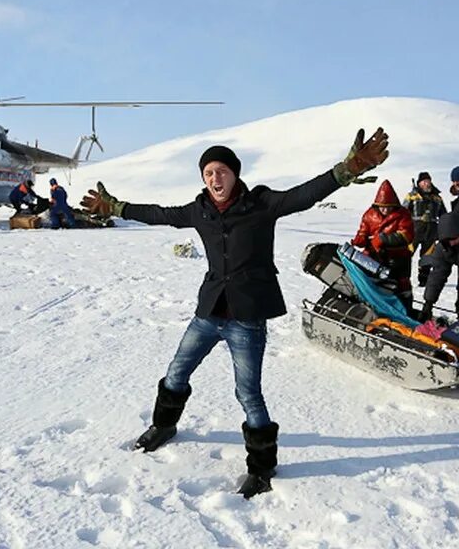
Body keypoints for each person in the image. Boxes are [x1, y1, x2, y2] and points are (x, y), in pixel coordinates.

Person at [80, 129, 389, 498]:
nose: (215, 178)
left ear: (235, 174)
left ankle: (261, 467)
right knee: (176, 372)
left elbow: (303, 195)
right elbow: (160, 214)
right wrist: (117, 208)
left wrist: (347, 170)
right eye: (208, 173)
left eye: (221, 171)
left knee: (248, 394)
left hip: (247, 319)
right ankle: (164, 426)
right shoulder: (200, 210)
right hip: (209, 313)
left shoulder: (261, 204)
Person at [352, 179, 415, 313]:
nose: (385, 209)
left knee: (402, 287)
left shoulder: (403, 214)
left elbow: (407, 236)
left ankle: (406, 313)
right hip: (374, 257)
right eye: (382, 206)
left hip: (398, 258)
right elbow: (363, 231)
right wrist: (360, 239)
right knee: (372, 284)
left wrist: (383, 239)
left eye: (388, 206)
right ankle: (373, 311)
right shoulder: (369, 215)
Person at [403, 171, 447, 287]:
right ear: (419, 183)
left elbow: (443, 215)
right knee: (406, 255)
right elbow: (403, 213)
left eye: (428, 181)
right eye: (424, 181)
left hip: (431, 232)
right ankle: (403, 278)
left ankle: (424, 280)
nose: (427, 184)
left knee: (427, 257)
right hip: (414, 231)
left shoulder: (437, 198)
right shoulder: (412, 196)